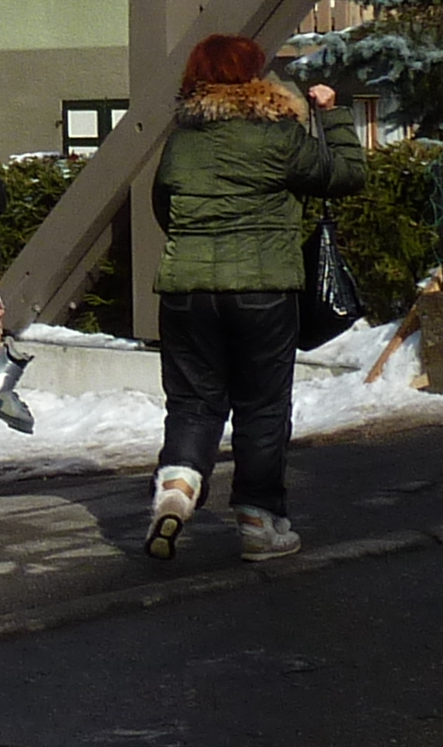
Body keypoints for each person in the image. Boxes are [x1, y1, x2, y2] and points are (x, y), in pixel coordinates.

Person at [146, 35, 365, 563]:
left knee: (194, 404)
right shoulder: (279, 134)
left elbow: (163, 205)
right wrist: (332, 115)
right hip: (264, 290)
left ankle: (177, 483)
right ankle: (258, 521)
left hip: (186, 291)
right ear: (253, 76)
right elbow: (346, 176)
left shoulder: (183, 140)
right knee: (262, 408)